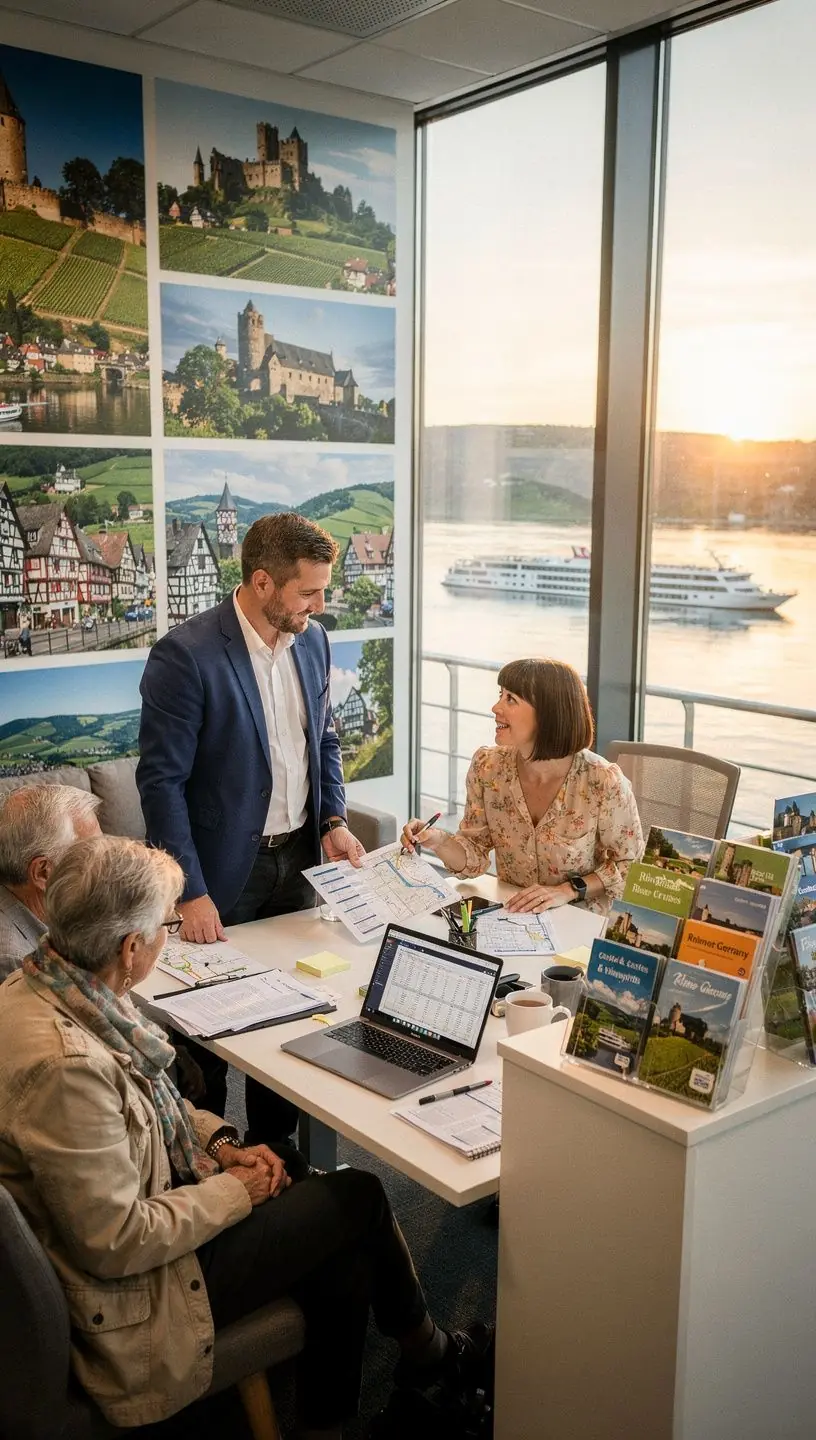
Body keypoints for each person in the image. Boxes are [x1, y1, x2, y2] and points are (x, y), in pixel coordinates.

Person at [0, 836, 486, 1436]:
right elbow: (117, 1240)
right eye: (166, 927)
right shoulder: (67, 1068)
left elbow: (146, 1108)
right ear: (130, 949)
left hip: (138, 1216)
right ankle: (426, 1354)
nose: (168, 936)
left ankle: (370, 1394)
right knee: (356, 1198)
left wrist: (220, 1145)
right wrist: (238, 1190)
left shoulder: (52, 987)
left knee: (306, 1186)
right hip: (133, 1293)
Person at [137, 512, 366, 1137]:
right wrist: (189, 891)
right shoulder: (185, 656)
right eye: (309, 592)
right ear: (263, 583)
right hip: (219, 875)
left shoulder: (313, 641)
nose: (320, 606)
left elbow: (324, 738)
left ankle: (276, 1152)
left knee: (289, 1021)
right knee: (208, 1033)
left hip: (298, 863)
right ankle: (206, 1157)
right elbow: (162, 784)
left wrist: (334, 818)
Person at [402, 657, 643, 915]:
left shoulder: (602, 781)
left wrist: (568, 890)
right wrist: (438, 841)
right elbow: (475, 856)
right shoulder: (487, 767)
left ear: (548, 714)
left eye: (511, 699)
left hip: (580, 920)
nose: (495, 707)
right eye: (500, 695)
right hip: (513, 914)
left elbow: (632, 868)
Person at [0, 784, 102, 979]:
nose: (105, 867)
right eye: (93, 855)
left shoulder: (52, 909)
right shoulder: (15, 961)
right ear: (43, 873)